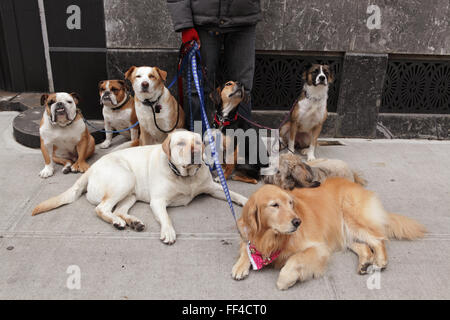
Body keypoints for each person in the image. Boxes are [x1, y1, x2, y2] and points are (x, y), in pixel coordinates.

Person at [166, 0, 261, 123]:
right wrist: (185, 25)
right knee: (199, 88)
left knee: (242, 88)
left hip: (243, 18)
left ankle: (242, 140)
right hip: (202, 21)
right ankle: (197, 138)